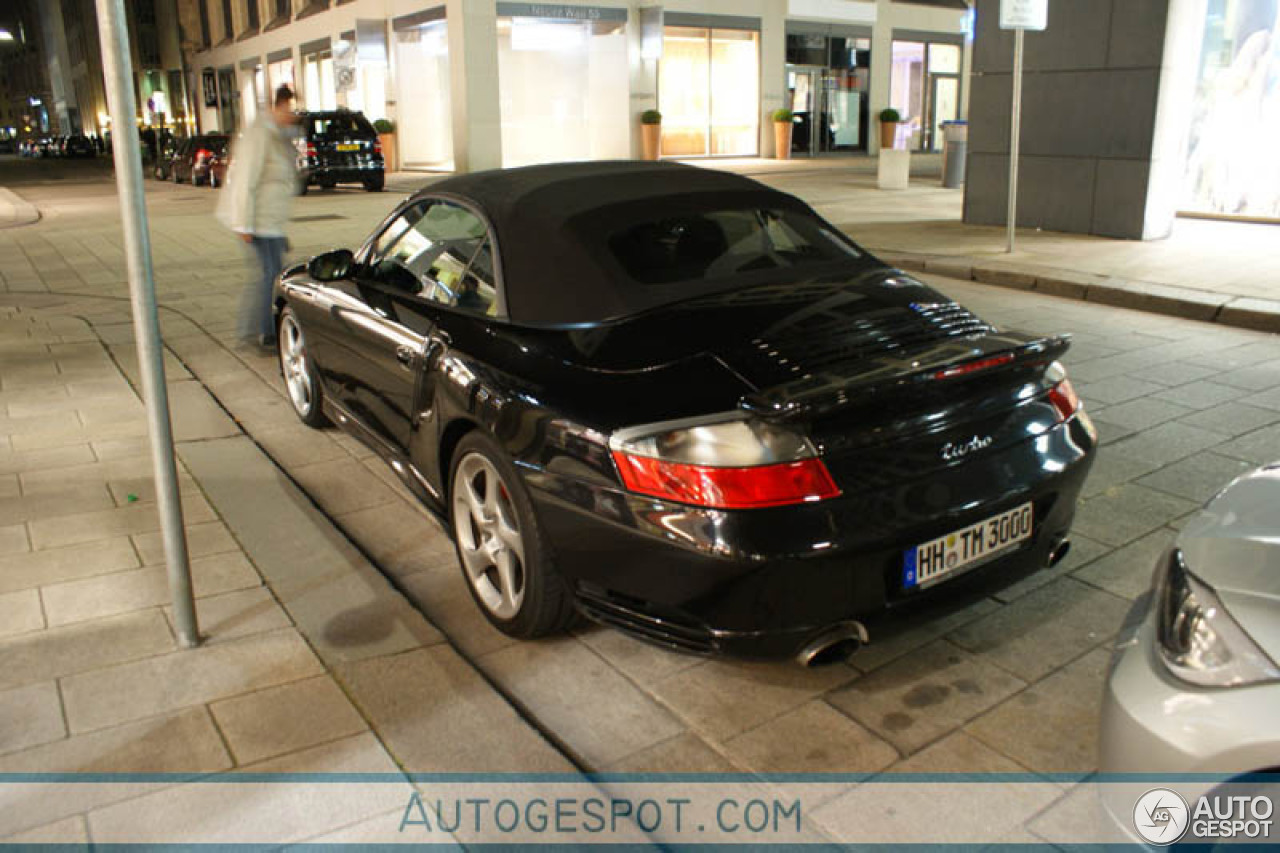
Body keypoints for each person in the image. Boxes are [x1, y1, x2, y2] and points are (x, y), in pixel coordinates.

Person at [217, 85, 301, 348]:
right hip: (257, 221)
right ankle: (265, 332)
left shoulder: (277, 135)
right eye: (289, 109)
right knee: (270, 276)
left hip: (270, 221)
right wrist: (244, 224)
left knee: (269, 275)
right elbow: (245, 181)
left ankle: (257, 331)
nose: (292, 115)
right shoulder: (260, 134)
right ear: (278, 106)